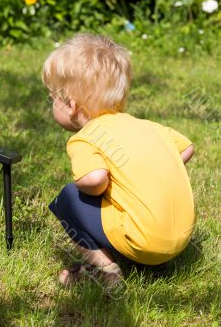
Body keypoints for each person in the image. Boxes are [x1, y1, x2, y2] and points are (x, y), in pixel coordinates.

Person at [42, 33, 196, 286]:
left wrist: (99, 186)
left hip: (145, 240)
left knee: (68, 198)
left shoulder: (86, 138)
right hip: (180, 238)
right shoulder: (148, 126)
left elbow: (95, 180)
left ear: (71, 105)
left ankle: (105, 270)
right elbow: (187, 147)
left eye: (53, 98)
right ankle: (153, 264)